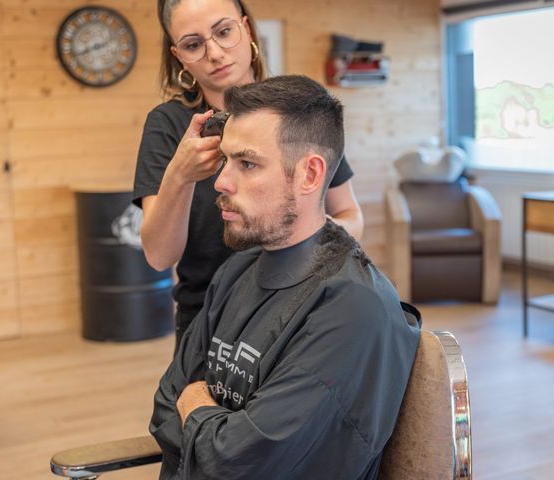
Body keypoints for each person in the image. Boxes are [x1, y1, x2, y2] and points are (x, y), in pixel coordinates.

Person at [149, 75, 421, 480]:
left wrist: (197, 404)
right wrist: (212, 427)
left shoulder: (352, 309)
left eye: (247, 163)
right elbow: (164, 409)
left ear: (310, 175)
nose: (220, 181)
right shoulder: (236, 269)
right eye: (225, 161)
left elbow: (240, 461)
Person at [133, 0, 365, 349]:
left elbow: (351, 216)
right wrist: (179, 176)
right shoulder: (168, 126)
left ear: (246, 28)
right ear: (178, 55)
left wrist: (299, 244)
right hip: (210, 322)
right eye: (194, 45)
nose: (215, 53)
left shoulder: (296, 112)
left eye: (224, 32)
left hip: (300, 311)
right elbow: (160, 256)